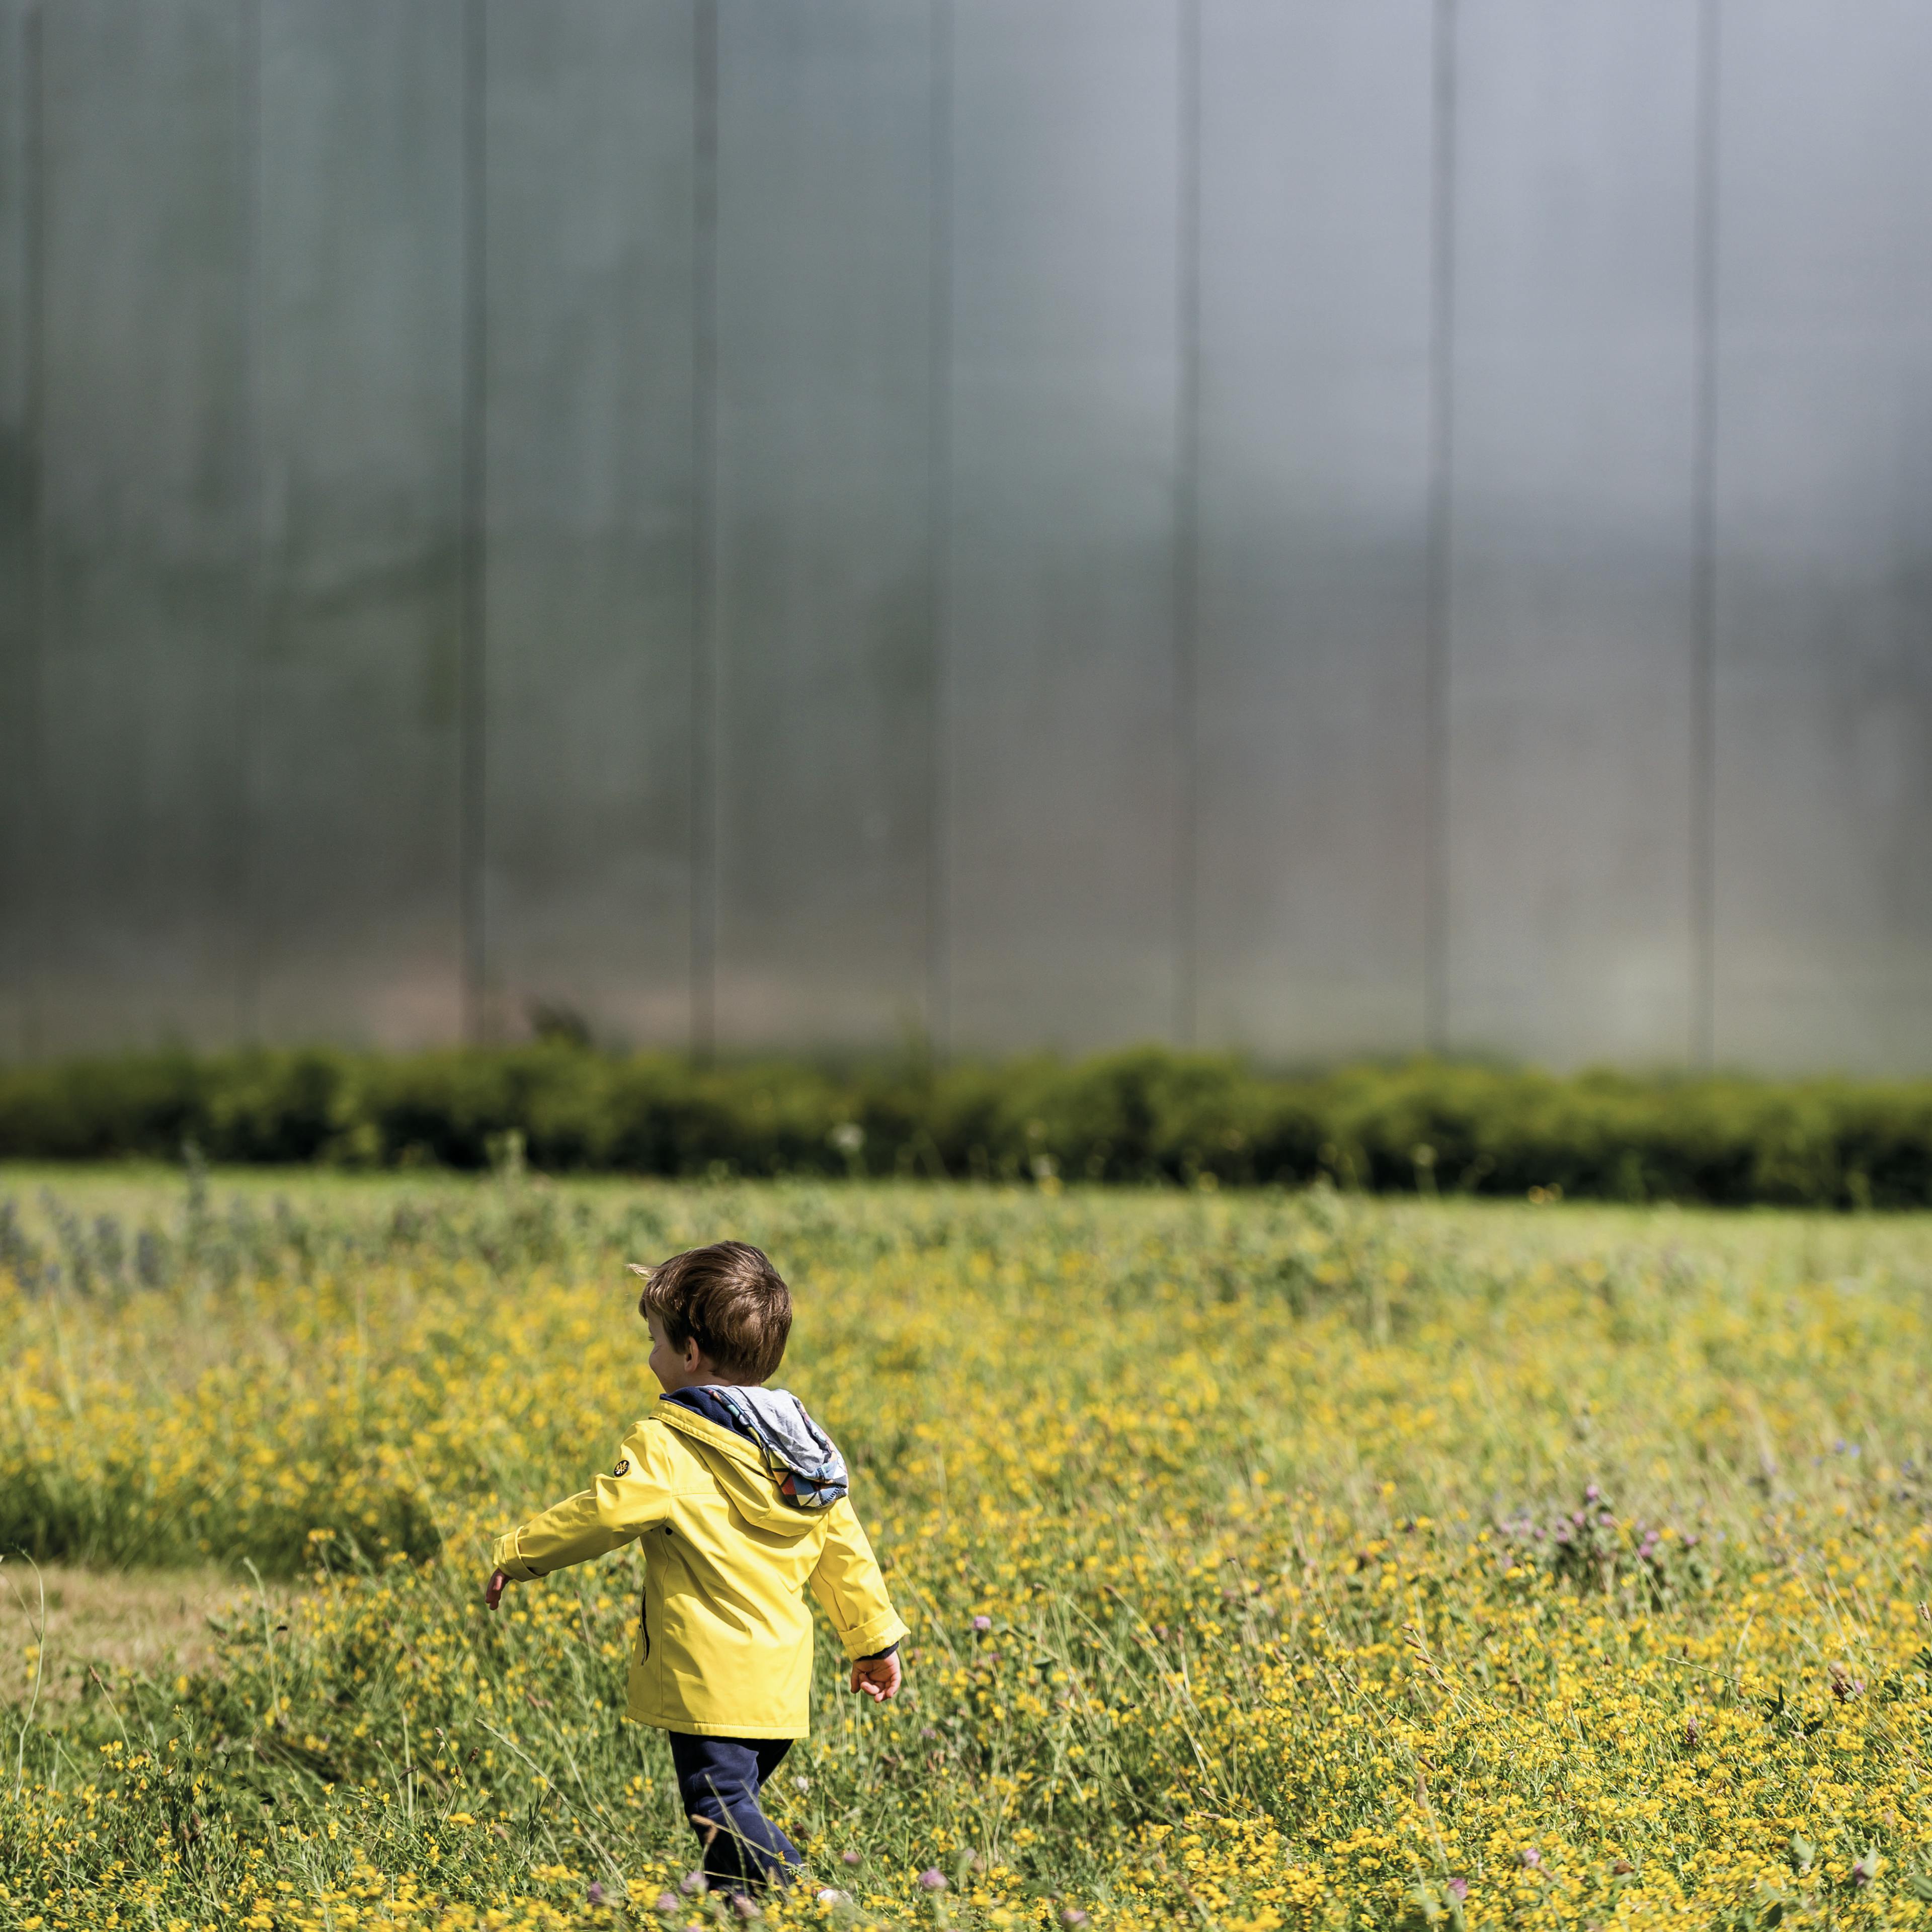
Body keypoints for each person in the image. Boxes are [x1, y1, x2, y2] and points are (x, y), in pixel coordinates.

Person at [485, 1240, 906, 1897]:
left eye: (653, 1340)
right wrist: (873, 1641)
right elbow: (843, 1549)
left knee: (718, 1814)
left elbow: (605, 1513)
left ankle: (816, 1898)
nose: (649, 1356)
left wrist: (518, 1552)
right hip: (779, 1687)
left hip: (711, 1682)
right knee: (728, 1833)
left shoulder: (671, 1441)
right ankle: (734, 1907)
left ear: (690, 1353)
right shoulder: (803, 1455)